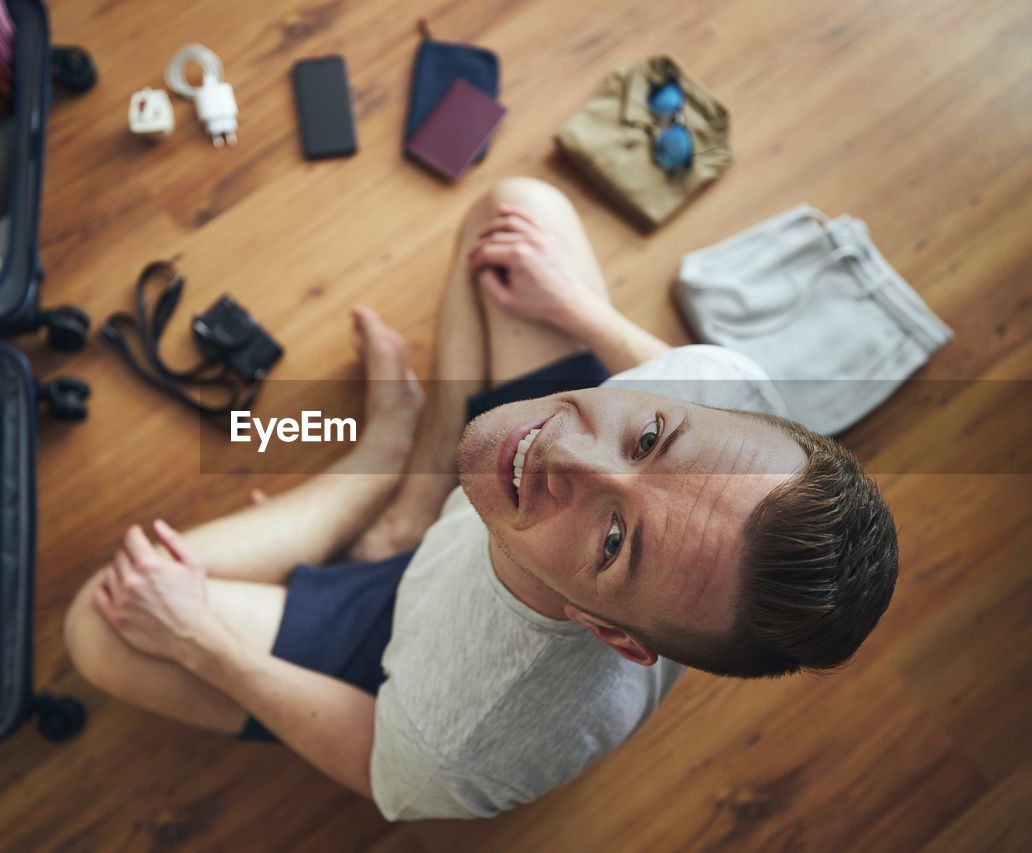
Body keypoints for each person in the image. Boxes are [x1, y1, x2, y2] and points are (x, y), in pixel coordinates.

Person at [63, 178, 898, 821]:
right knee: (517, 213)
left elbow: (375, 765)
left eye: (615, 542)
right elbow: (680, 375)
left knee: (100, 626)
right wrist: (575, 308)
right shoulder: (728, 397)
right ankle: (417, 486)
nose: (561, 449)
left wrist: (200, 638)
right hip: (477, 534)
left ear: (610, 632)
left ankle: (371, 468)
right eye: (650, 436)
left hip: (399, 645)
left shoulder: (470, 732)